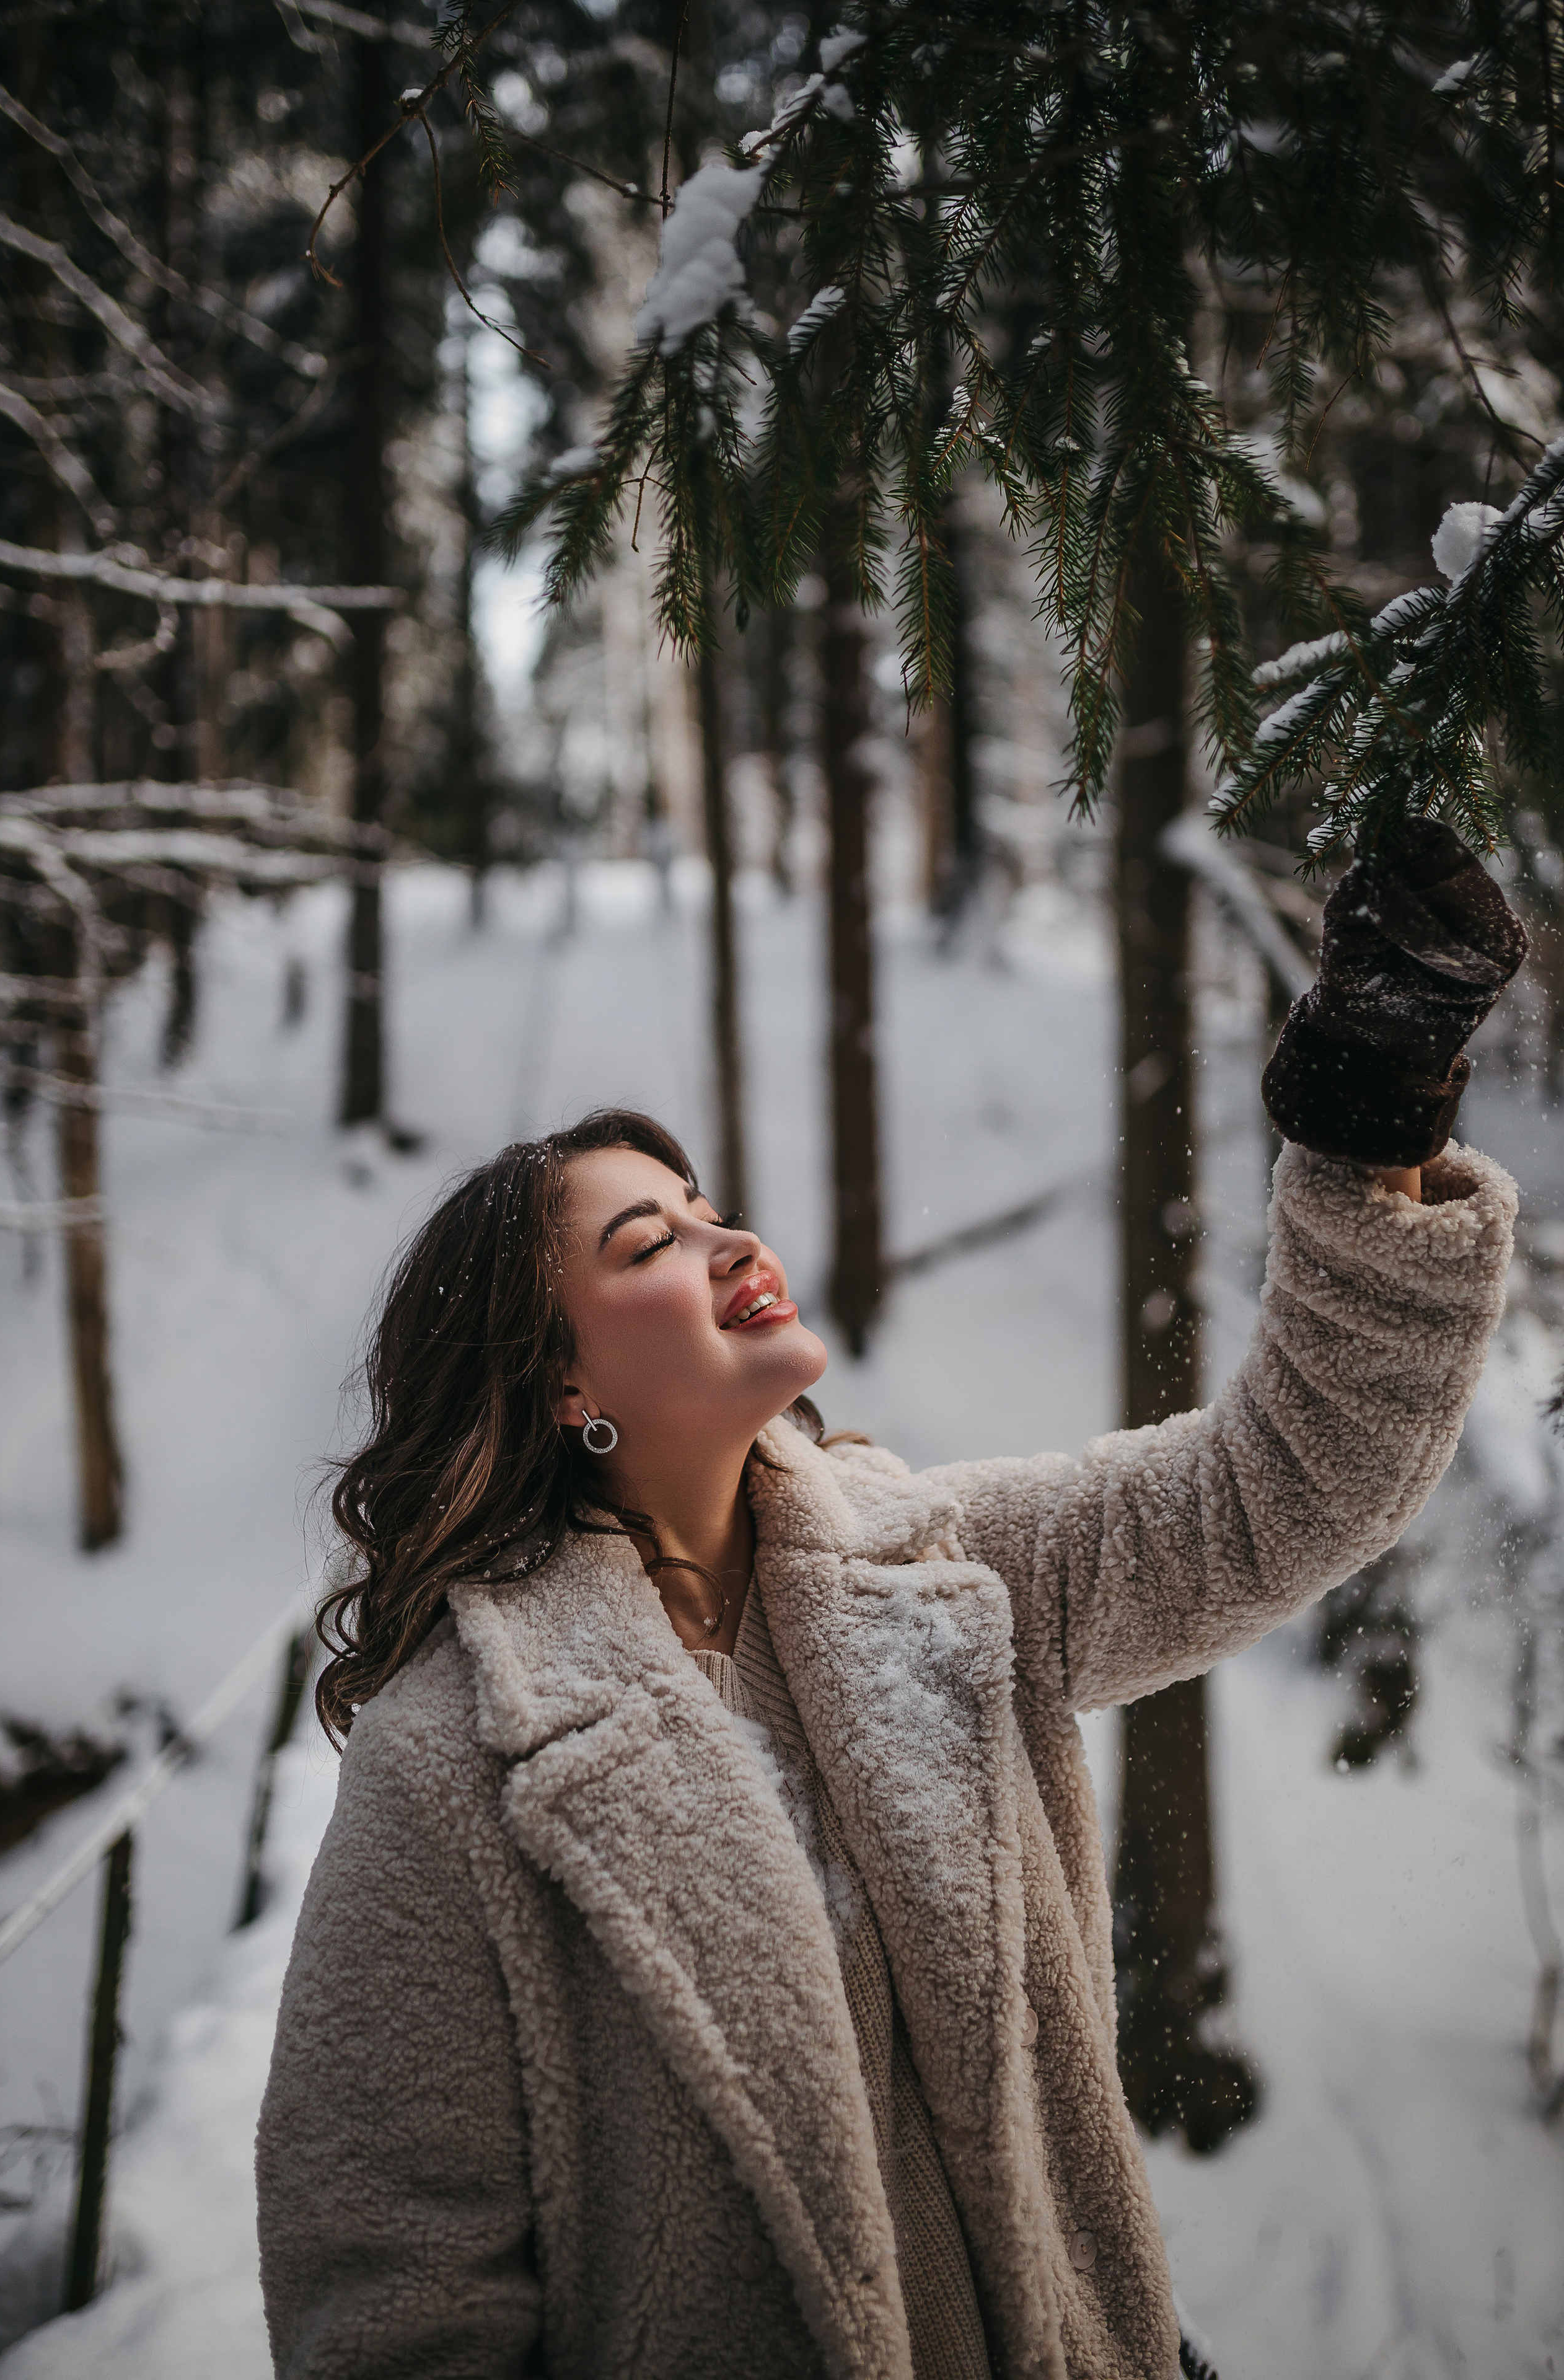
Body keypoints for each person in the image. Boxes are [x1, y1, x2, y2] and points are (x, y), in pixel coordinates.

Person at [257, 822, 1524, 2380]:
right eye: (648, 1239)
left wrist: (1363, 1122)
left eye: (707, 1201)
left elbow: (1290, 1481)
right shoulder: (456, 1769)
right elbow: (391, 2308)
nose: (730, 1241)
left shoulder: (945, 1576)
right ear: (557, 1380)